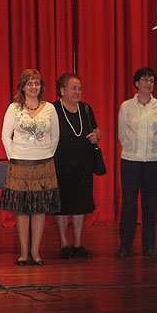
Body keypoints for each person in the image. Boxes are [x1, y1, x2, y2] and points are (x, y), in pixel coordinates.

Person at [0, 69, 60, 266]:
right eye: (30, 83)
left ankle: (36, 252)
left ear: (41, 87)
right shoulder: (14, 108)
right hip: (20, 164)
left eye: (37, 83)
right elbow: (5, 136)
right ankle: (23, 252)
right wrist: (15, 156)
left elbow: (55, 137)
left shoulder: (50, 108)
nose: (34, 87)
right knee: (22, 209)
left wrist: (44, 154)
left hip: (44, 163)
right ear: (23, 87)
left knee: (39, 209)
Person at [117, 67, 157, 259]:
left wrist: (151, 151)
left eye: (152, 80)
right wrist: (134, 151)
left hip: (154, 161)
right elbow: (123, 134)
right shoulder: (126, 106)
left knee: (150, 205)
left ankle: (149, 246)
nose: (148, 84)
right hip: (130, 161)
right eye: (145, 80)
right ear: (137, 83)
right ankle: (125, 246)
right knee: (129, 204)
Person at [52, 73, 100, 260]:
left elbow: (96, 130)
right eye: (73, 88)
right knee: (62, 205)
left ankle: (78, 243)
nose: (77, 92)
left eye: (79, 88)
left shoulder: (86, 109)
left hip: (83, 163)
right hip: (60, 163)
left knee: (81, 204)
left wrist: (97, 134)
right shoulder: (53, 109)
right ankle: (64, 243)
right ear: (62, 90)